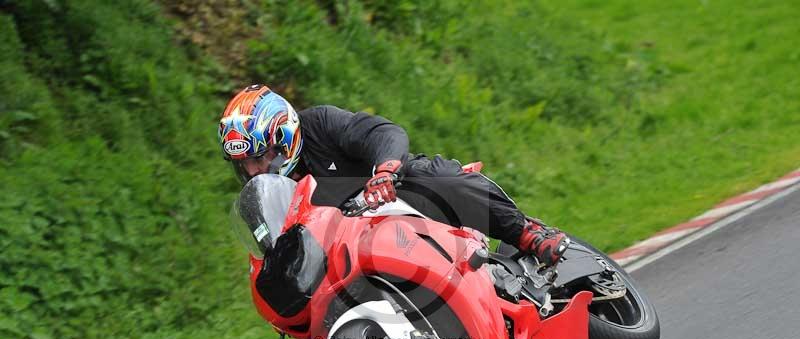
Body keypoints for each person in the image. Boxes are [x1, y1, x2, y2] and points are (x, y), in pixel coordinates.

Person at [219, 84, 569, 267]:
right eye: (244, 164)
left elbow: (383, 133)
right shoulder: (267, 198)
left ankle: (526, 234)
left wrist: (384, 170)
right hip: (351, 252)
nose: (254, 170)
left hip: (397, 200)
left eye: (260, 157)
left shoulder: (320, 124)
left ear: (283, 138)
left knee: (435, 180)